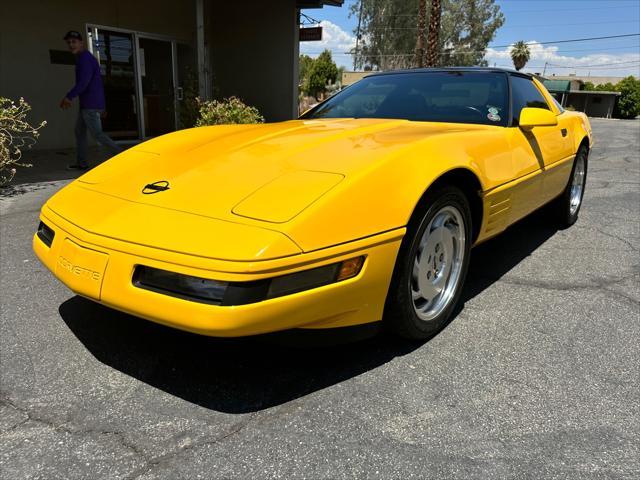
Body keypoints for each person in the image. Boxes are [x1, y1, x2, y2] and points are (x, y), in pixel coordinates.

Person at [60, 30, 122, 170]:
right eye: (69, 42)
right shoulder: (85, 59)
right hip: (88, 104)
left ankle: (123, 156)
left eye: (74, 42)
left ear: (81, 43)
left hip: (90, 105)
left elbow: (84, 82)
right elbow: (97, 85)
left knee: (97, 134)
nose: (71, 45)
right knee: (79, 132)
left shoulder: (86, 59)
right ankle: (82, 163)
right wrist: (103, 106)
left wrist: (69, 96)